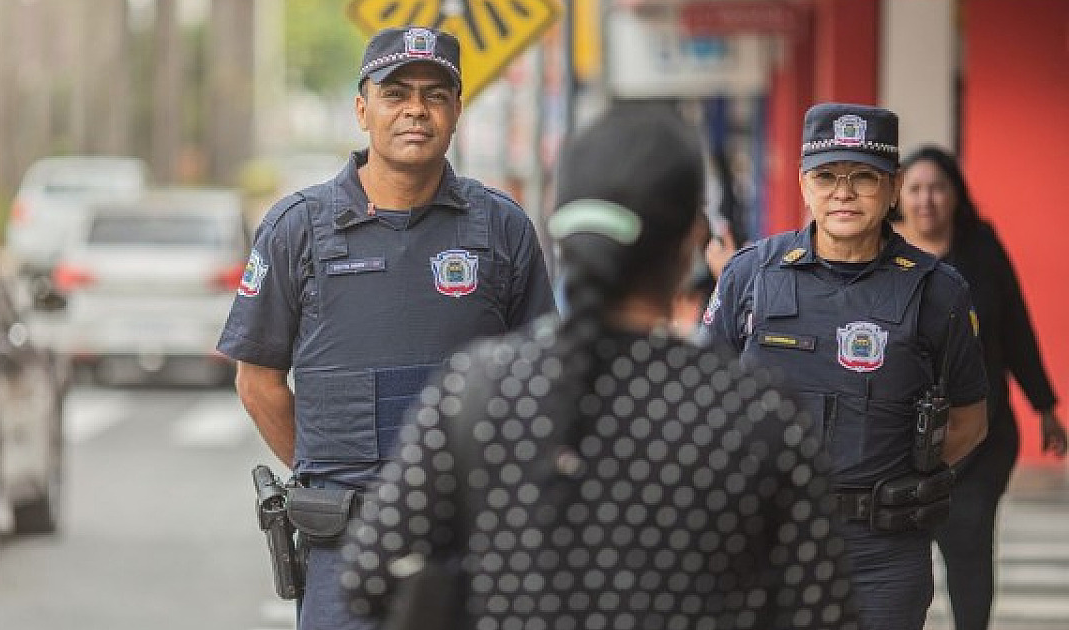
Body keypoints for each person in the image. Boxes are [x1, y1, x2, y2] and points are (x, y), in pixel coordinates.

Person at [342, 103, 863, 630]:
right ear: (691, 241)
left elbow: (369, 576)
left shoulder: (476, 390)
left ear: (564, 236)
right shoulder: (756, 411)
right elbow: (819, 611)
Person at [216, 26, 556, 630]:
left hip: (473, 551)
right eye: (395, 92)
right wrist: (332, 485)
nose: (415, 110)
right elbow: (258, 384)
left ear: (456, 111)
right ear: (361, 109)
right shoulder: (296, 229)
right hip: (346, 552)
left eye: (435, 94)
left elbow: (541, 382)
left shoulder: (502, 229)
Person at [704, 103, 990, 630]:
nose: (844, 192)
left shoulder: (938, 291)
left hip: (883, 553)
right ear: (803, 185)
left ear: (893, 187)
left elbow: (971, 420)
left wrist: (900, 475)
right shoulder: (750, 277)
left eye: (863, 176)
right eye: (827, 176)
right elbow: (702, 405)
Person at [892, 145, 1068, 630]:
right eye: (916, 189)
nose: (927, 200)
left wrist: (1045, 407)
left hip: (982, 436)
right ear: (899, 196)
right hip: (898, 441)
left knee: (968, 540)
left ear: (955, 195)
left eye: (938, 188)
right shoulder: (885, 256)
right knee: (898, 560)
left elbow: (1015, 328)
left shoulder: (982, 249)